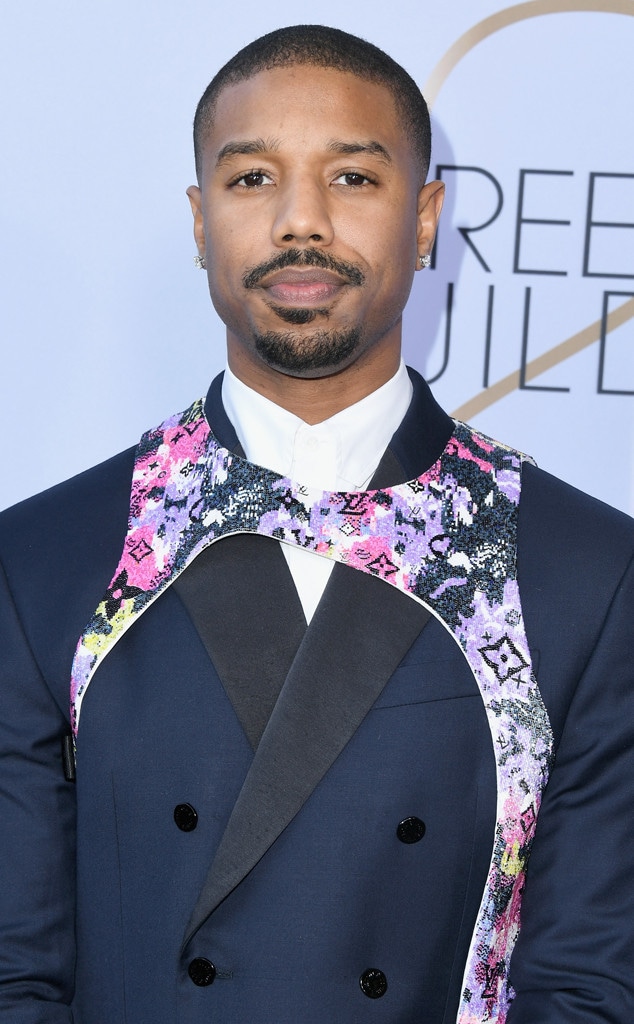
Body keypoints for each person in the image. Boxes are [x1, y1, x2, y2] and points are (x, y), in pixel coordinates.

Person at [0, 24, 632, 1024]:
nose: (301, 222)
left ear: (425, 219)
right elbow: (13, 971)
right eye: (252, 180)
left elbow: (593, 979)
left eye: (352, 179)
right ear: (202, 222)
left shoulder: (583, 571)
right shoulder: (42, 560)